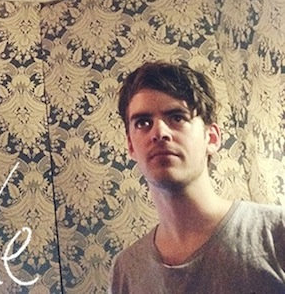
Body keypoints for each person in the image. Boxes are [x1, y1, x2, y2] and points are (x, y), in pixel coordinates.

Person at [109, 61, 285, 293]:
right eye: (143, 123)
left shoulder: (276, 232)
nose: (159, 132)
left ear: (211, 138)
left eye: (177, 117)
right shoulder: (126, 270)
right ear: (131, 146)